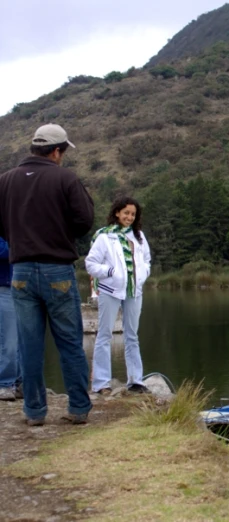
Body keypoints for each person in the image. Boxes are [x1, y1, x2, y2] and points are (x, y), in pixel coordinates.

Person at [0, 123, 95, 426]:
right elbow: (84, 221)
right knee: (69, 342)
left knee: (29, 345)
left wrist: (19, 238)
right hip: (58, 270)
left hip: (21, 271)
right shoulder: (65, 178)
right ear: (56, 151)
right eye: (63, 152)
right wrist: (59, 231)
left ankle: (34, 412)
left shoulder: (5, 181)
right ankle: (78, 408)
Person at [85, 196, 152, 395]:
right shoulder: (104, 237)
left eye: (133, 214)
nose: (129, 217)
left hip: (134, 291)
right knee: (104, 335)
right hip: (110, 290)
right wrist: (110, 272)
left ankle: (135, 380)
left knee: (132, 335)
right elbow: (91, 263)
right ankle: (101, 383)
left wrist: (142, 275)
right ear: (117, 213)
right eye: (126, 213)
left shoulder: (138, 236)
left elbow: (146, 259)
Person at [0, 236, 22, 401]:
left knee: (23, 339)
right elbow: (4, 250)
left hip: (22, 285)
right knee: (8, 339)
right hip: (4, 287)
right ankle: (5, 383)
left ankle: (20, 382)